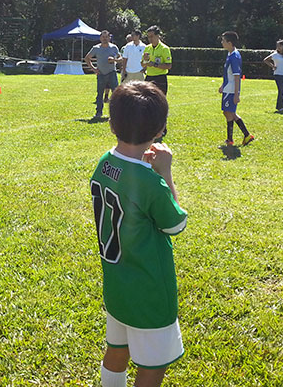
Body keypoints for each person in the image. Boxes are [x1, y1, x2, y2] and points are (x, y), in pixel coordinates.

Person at [90, 81, 187, 387]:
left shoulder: (103, 164)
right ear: (159, 130)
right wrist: (165, 172)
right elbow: (176, 224)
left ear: (111, 124)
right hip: (148, 290)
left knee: (116, 350)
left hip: (117, 282)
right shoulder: (149, 181)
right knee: (153, 366)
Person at [220, 31, 255, 146]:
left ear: (229, 43)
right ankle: (246, 135)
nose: (222, 42)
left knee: (229, 113)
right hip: (227, 88)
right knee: (229, 113)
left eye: (223, 41)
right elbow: (228, 74)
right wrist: (222, 85)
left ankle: (231, 139)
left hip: (231, 90)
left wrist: (236, 94)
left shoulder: (234, 56)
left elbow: (236, 76)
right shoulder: (230, 54)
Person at [84, 30, 121, 120]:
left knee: (116, 93)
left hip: (112, 73)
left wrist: (114, 60)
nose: (105, 39)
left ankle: (117, 113)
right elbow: (87, 58)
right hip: (101, 74)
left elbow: (121, 58)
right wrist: (94, 69)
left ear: (109, 38)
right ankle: (98, 112)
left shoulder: (114, 47)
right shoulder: (96, 48)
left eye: (106, 37)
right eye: (103, 37)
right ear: (100, 38)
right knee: (100, 94)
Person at [141, 26, 172, 95]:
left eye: (152, 36)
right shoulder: (147, 48)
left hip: (160, 78)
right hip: (149, 77)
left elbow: (169, 66)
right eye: (148, 37)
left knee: (159, 102)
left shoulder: (164, 48)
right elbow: (142, 64)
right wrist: (145, 61)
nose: (150, 39)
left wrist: (154, 64)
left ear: (158, 36)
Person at [264, 40, 283, 112]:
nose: (278, 47)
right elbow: (266, 60)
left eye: (280, 46)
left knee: (282, 91)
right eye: (277, 46)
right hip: (277, 74)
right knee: (280, 90)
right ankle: (281, 107)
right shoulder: (275, 54)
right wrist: (273, 66)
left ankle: (279, 106)